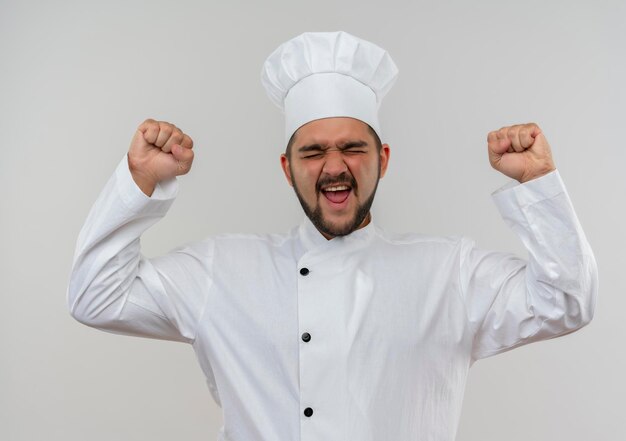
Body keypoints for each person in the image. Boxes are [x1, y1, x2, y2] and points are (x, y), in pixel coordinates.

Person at [67, 31, 598, 441]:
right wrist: (139, 182)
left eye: (353, 148)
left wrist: (537, 185)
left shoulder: (448, 272)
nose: (334, 167)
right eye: (313, 151)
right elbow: (95, 297)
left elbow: (567, 302)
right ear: (286, 167)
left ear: (383, 159)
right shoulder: (221, 271)